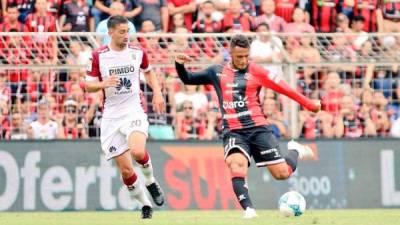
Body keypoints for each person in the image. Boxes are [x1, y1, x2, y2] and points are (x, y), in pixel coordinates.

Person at [175, 34, 321, 218]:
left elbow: (285, 88)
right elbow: (188, 78)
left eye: (246, 56)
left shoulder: (258, 72)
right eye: (239, 56)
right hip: (234, 130)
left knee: (282, 174)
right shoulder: (216, 72)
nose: (243, 60)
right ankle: (249, 210)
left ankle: (296, 150)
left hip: (259, 128)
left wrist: (308, 103)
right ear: (230, 54)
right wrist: (179, 65)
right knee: (236, 165)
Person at [85, 15, 165, 219]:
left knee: (138, 152)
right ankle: (145, 205)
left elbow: (148, 72)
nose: (126, 36)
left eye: (128, 31)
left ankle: (151, 182)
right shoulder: (98, 55)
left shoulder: (137, 52)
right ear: (110, 32)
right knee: (127, 172)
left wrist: (156, 91)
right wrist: (103, 84)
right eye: (121, 32)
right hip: (111, 117)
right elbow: (88, 84)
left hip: (133, 111)